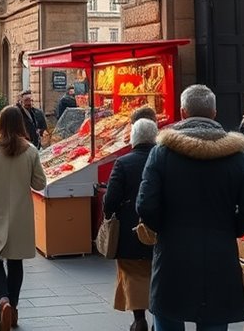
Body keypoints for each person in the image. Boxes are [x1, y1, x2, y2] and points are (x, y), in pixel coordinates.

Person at [137, 85, 244, 331]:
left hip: (173, 252)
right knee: (215, 319)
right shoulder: (236, 155)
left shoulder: (162, 153)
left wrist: (165, 228)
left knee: (169, 315)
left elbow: (146, 205)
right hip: (220, 252)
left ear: (183, 112)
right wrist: (227, 229)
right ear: (214, 113)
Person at [0, 106, 48, 331]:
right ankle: (13, 308)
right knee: (15, 262)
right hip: (20, 215)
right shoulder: (30, 150)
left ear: (0, 123)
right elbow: (39, 183)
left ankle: (3, 301)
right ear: (21, 124)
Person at [103, 118, 157, 331]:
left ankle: (139, 318)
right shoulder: (163, 160)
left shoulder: (123, 163)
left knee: (132, 273)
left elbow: (111, 199)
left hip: (129, 229)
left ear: (134, 138)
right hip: (159, 228)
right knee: (156, 272)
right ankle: (158, 319)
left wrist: (109, 213)